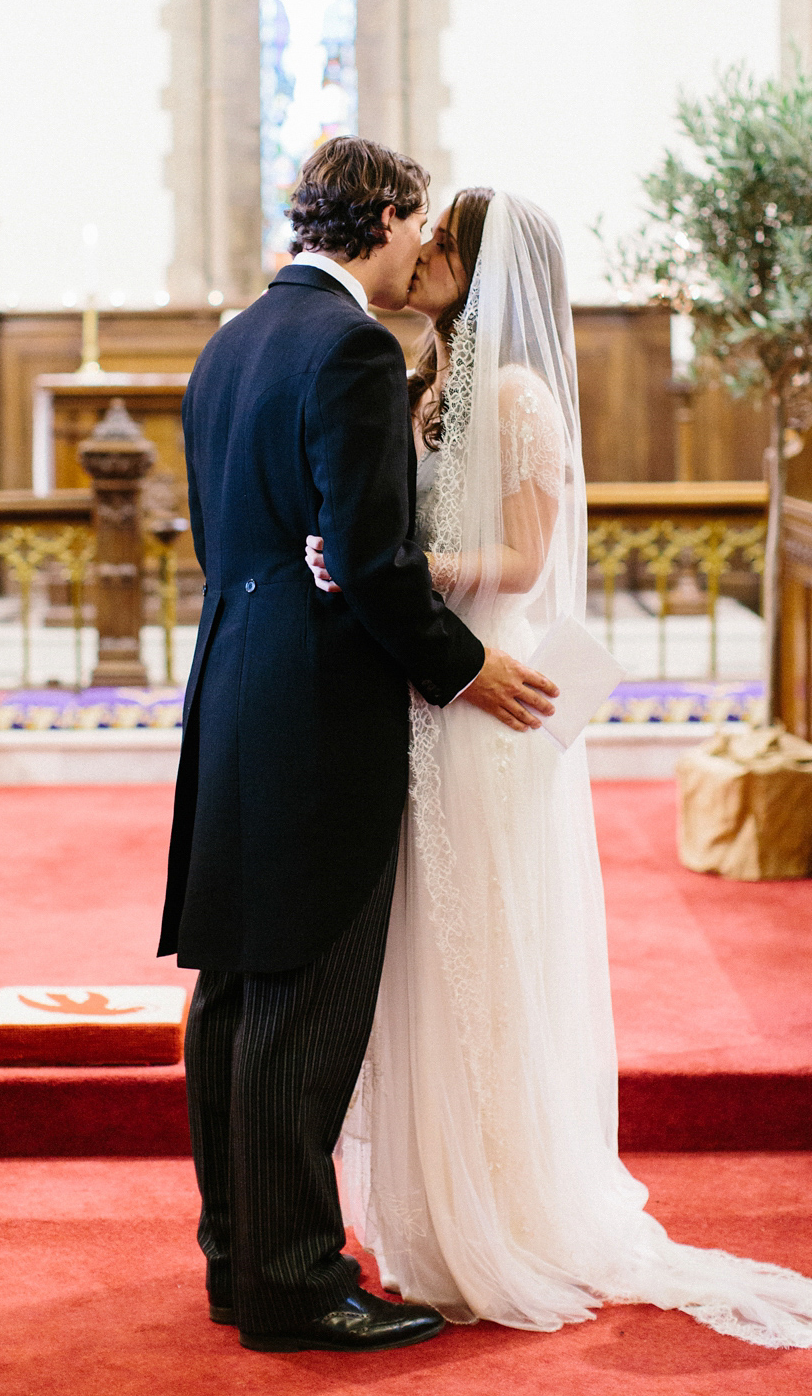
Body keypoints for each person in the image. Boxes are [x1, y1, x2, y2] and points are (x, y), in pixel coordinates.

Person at [309, 188, 812, 1349]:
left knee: (484, 954)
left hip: (487, 698)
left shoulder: (514, 393)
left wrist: (397, 571)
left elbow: (521, 556)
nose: (430, 255)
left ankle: (503, 1211)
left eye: (449, 243)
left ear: (488, 268)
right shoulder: (429, 378)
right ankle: (436, 1216)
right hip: (430, 700)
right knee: (429, 955)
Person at [158, 140, 559, 1355]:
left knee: (234, 990)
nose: (419, 248)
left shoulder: (231, 340)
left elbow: (219, 541)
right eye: (416, 224)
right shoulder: (349, 350)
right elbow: (373, 565)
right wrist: (468, 667)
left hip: (231, 687)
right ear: (384, 218)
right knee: (306, 998)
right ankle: (293, 1280)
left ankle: (237, 1254)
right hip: (316, 715)